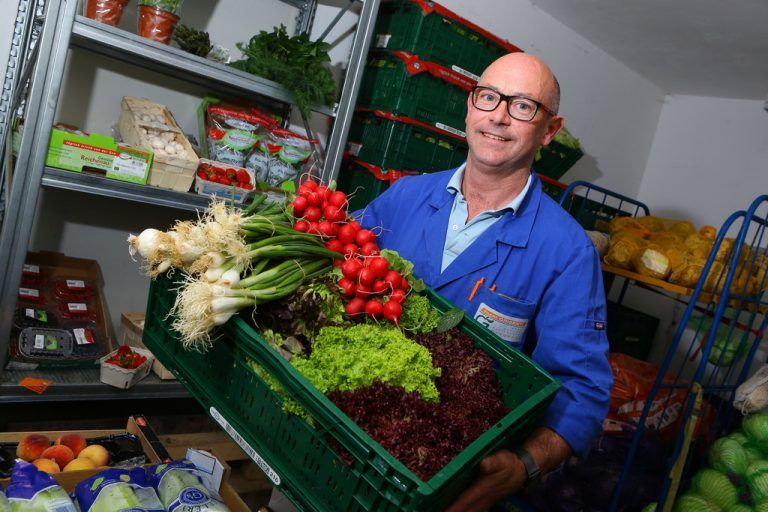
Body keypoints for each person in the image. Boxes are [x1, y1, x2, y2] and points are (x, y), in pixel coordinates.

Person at [355, 52, 613, 511]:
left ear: (549, 130)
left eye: (523, 106)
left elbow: (582, 389)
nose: (498, 116)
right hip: (346, 418)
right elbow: (336, 254)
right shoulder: (405, 196)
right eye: (489, 97)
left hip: (442, 466)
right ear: (470, 106)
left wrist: (524, 467)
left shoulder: (568, 252)